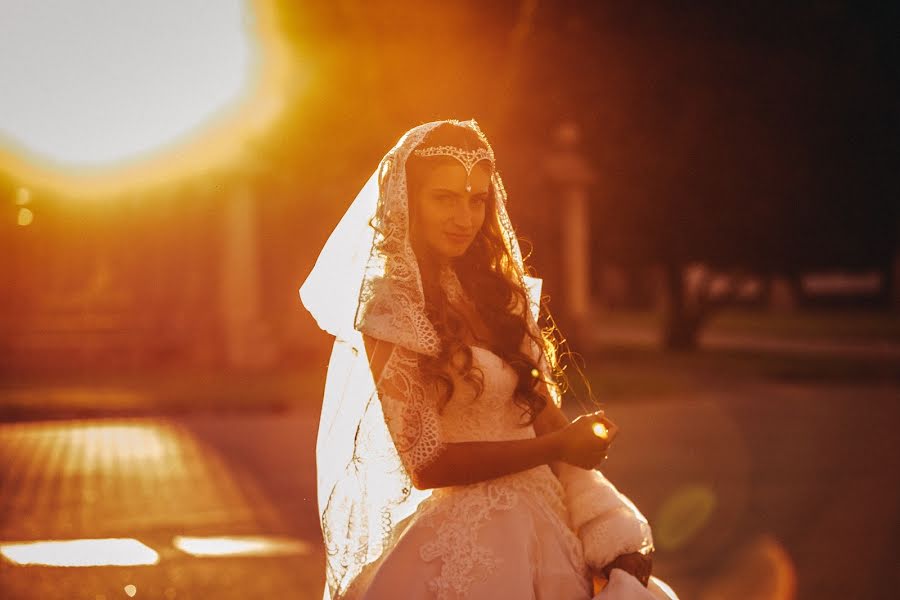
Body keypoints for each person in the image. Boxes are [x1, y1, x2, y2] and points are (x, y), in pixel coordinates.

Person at [300, 119, 679, 600]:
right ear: (407, 201)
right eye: (444, 198)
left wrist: (607, 524)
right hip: (463, 540)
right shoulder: (390, 309)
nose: (465, 216)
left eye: (476, 199)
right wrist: (559, 447)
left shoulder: (500, 297)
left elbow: (545, 417)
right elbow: (427, 464)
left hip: (548, 523)